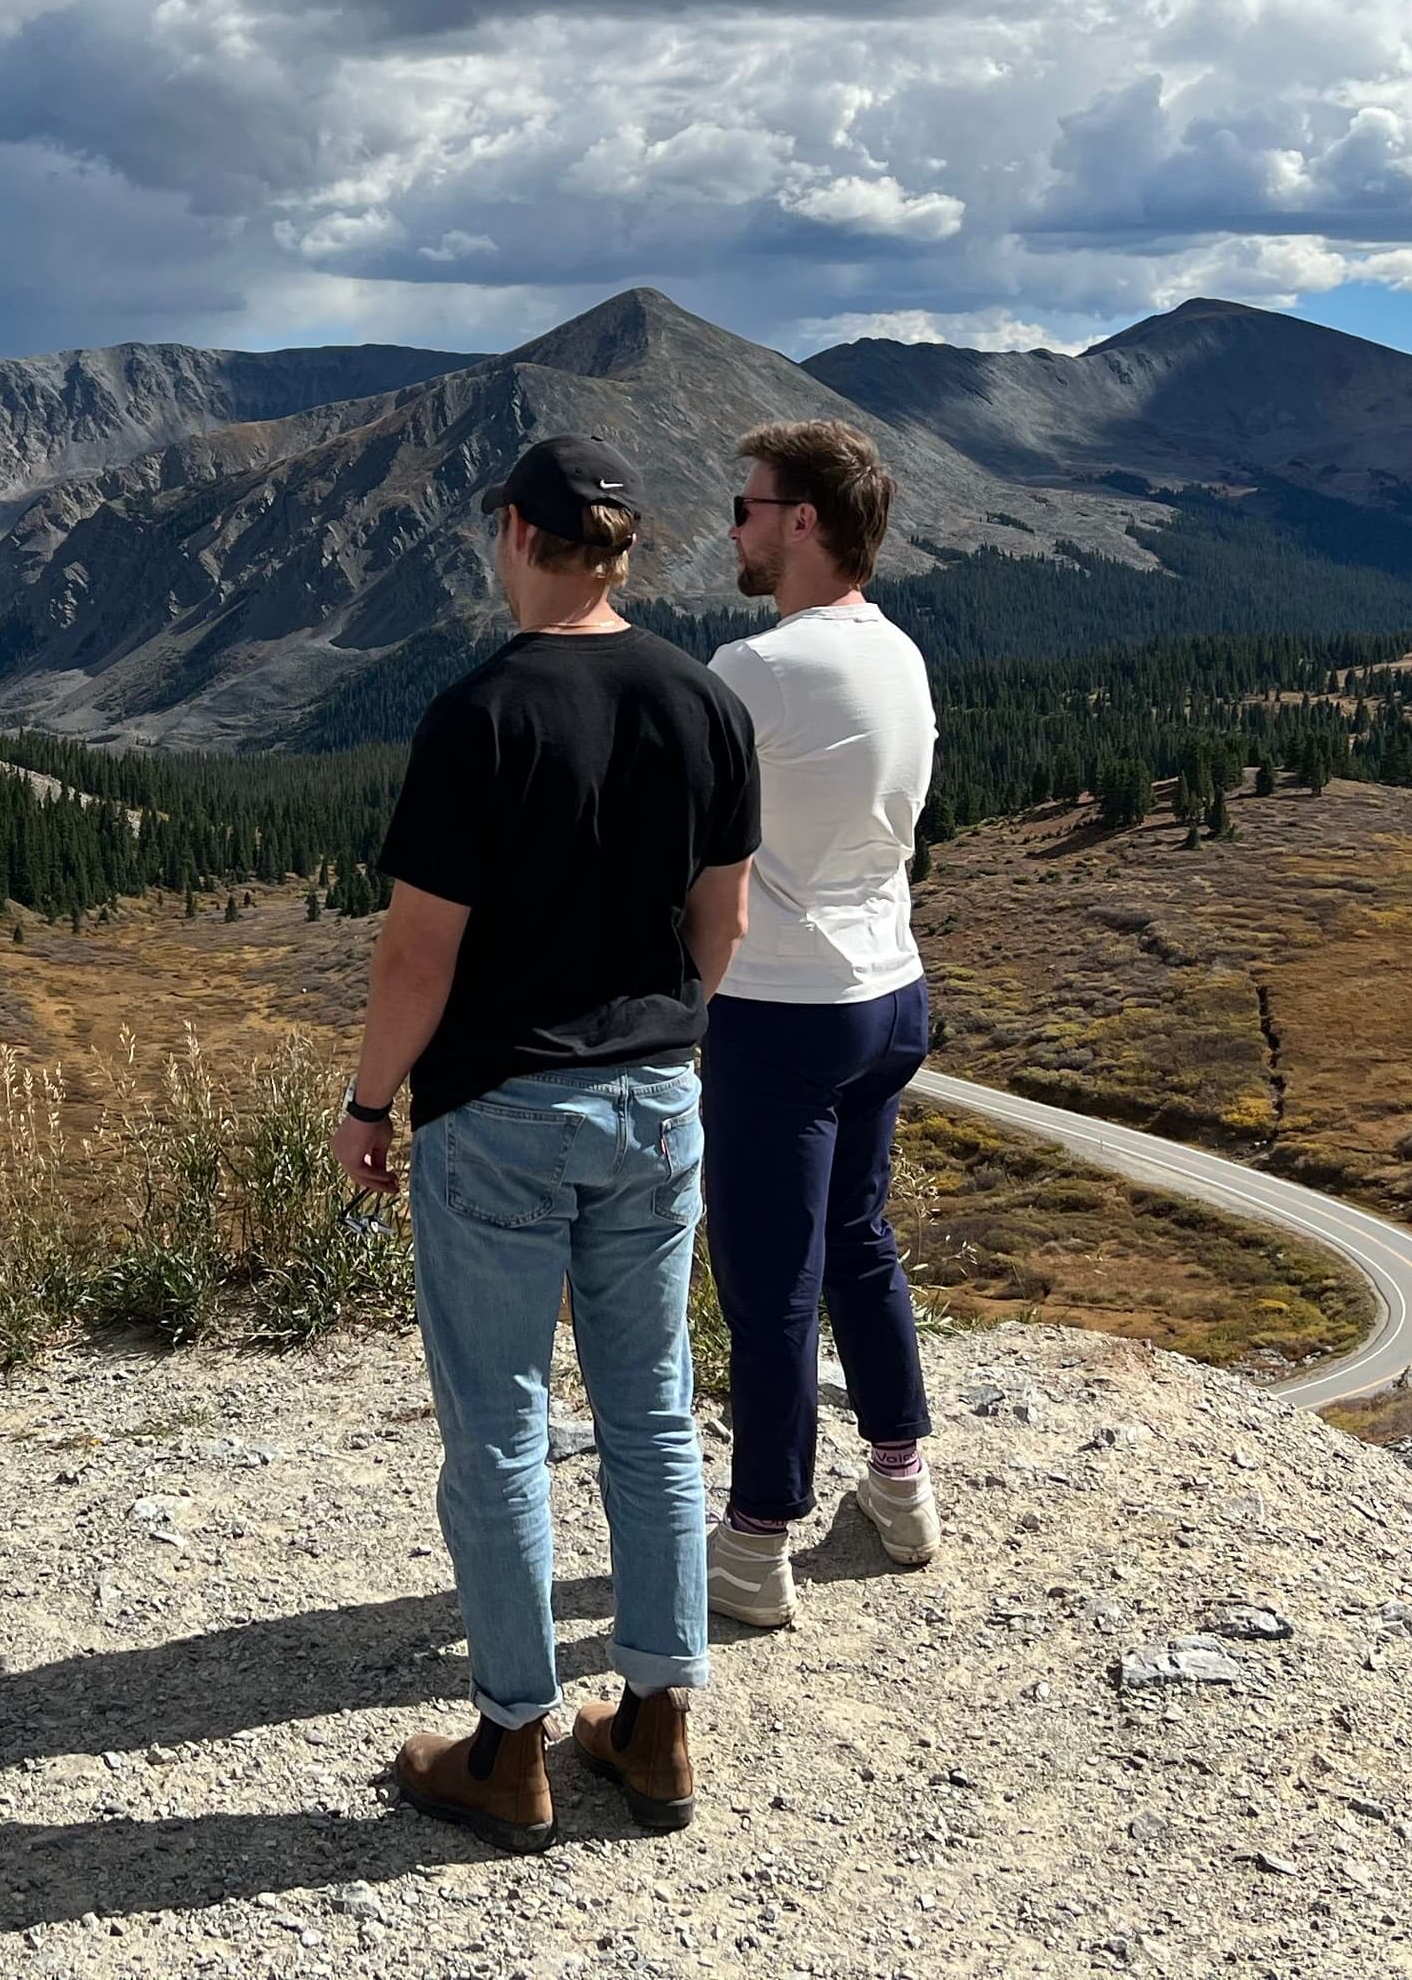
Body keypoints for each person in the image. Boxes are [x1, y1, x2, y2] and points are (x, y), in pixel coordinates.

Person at [335, 435, 760, 1853]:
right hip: (658, 1096)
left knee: (502, 1429)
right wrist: (658, 1028)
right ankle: (656, 1726)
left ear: (517, 534)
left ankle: (509, 1743)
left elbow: (416, 956)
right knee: (650, 1413)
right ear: (624, 548)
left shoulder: (481, 714)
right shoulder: (704, 699)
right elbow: (724, 925)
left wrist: (368, 1102)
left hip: (503, 1111)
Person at [702, 418, 942, 1631]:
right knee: (858, 1239)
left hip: (780, 1012)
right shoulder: (900, 653)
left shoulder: (760, 671)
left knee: (770, 1285)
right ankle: (901, 1489)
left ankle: (754, 1547)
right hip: (890, 990)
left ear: (802, 523)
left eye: (748, 506)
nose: (733, 526)